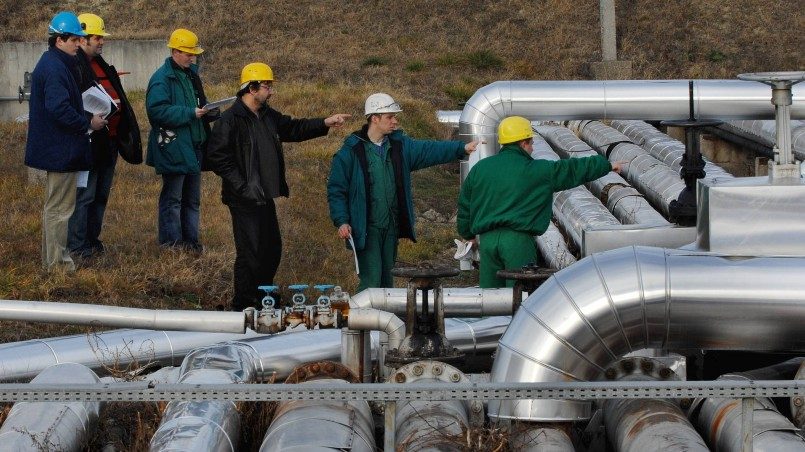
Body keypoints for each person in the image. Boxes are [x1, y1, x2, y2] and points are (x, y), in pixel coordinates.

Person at [206, 62, 350, 311]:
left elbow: (294, 128)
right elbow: (217, 157)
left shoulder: (268, 116)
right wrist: (242, 186)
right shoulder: (230, 120)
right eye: (266, 86)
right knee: (250, 252)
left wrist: (325, 123)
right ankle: (244, 305)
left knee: (271, 250)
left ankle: (264, 300)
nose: (271, 91)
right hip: (243, 198)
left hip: (264, 196)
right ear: (251, 88)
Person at [327, 93, 479, 291]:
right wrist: (342, 220)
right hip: (365, 228)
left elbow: (429, 150)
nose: (395, 121)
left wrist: (462, 148)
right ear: (375, 118)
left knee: (386, 281)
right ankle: (362, 312)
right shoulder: (350, 152)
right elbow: (337, 190)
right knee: (371, 282)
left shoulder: (399, 146)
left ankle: (380, 313)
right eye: (390, 117)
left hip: (390, 226)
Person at [457, 116, 624, 288]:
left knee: (490, 297)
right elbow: (572, 170)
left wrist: (468, 234)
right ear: (523, 143)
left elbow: (464, 204)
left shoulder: (480, 168)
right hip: (518, 242)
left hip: (487, 242)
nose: (532, 148)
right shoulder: (538, 170)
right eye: (531, 143)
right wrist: (606, 165)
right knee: (520, 293)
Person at [24, 11, 107, 273]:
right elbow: (59, 108)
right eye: (74, 39)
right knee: (60, 209)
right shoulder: (55, 67)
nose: (78, 44)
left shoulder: (56, 63)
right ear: (59, 40)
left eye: (80, 39)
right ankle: (58, 265)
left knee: (55, 208)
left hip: (59, 148)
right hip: (60, 149)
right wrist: (87, 122)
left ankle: (52, 261)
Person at [67, 13, 142, 259]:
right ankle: (78, 246)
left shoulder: (101, 64)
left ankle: (92, 241)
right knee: (85, 195)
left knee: (100, 195)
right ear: (83, 39)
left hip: (109, 142)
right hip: (89, 142)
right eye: (97, 37)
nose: (102, 42)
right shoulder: (73, 67)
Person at [145, 28, 215, 252]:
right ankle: (172, 245)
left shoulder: (190, 75)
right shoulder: (161, 79)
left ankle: (191, 243)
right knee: (173, 199)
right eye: (188, 53)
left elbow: (197, 103)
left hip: (194, 146)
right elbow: (156, 111)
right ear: (175, 51)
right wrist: (190, 113)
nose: (192, 57)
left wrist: (210, 111)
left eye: (193, 53)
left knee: (192, 200)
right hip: (174, 147)